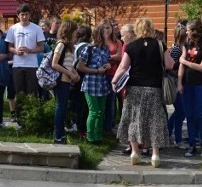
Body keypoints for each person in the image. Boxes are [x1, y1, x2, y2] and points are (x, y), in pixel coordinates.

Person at [111, 18, 174, 167]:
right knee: (155, 121)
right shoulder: (160, 45)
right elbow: (170, 64)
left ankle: (134, 152)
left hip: (134, 88)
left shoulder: (131, 46)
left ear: (137, 30)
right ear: (151, 28)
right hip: (154, 88)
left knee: (133, 119)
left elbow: (123, 67)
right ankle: (155, 155)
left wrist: (114, 81)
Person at [177, 19, 202, 156]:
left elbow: (201, 67)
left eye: (188, 29)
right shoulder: (187, 42)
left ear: (195, 31)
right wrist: (180, 82)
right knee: (190, 114)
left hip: (201, 84)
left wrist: (184, 61)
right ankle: (192, 144)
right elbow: (181, 64)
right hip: (187, 82)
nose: (186, 32)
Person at [5, 4, 45, 128]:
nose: (24, 17)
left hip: (32, 65)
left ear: (29, 15)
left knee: (32, 92)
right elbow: (9, 47)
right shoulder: (13, 29)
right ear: (18, 16)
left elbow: (41, 47)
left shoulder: (36, 28)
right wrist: (16, 51)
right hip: (17, 65)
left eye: (26, 14)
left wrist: (30, 50)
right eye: (22, 14)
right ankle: (20, 120)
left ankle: (32, 119)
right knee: (19, 93)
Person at [75, 23, 111, 144]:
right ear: (100, 35)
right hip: (90, 83)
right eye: (105, 34)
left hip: (102, 84)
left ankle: (98, 136)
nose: (107, 35)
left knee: (101, 111)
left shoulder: (105, 49)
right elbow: (80, 67)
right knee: (94, 111)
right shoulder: (88, 49)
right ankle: (90, 137)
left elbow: (107, 61)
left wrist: (108, 65)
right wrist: (96, 70)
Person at [50, 20, 79, 144]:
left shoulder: (70, 46)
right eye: (75, 30)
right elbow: (55, 64)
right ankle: (58, 136)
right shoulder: (61, 44)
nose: (77, 33)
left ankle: (61, 134)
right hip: (61, 80)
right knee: (60, 107)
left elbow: (68, 64)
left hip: (67, 80)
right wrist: (69, 73)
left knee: (63, 107)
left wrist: (74, 73)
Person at [167, 23, 187, 146]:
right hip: (175, 82)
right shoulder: (176, 49)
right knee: (181, 111)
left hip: (181, 82)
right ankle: (175, 136)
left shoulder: (183, 48)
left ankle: (169, 132)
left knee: (181, 111)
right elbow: (171, 67)